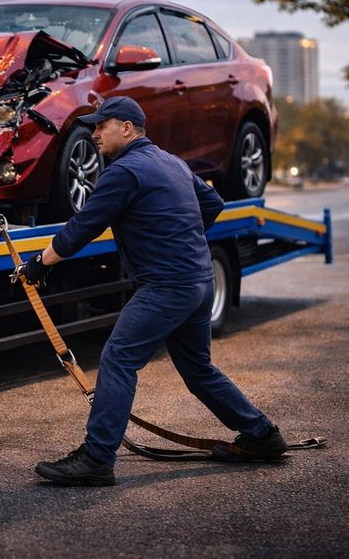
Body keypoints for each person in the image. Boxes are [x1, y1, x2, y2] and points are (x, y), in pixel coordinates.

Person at [22, 96, 287, 487]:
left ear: (126, 128)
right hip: (198, 281)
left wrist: (39, 264)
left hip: (167, 286)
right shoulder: (172, 162)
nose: (94, 133)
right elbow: (212, 202)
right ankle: (262, 436)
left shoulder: (124, 171)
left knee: (118, 357)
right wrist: (180, 235)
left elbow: (82, 228)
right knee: (198, 370)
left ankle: (96, 457)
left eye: (101, 126)